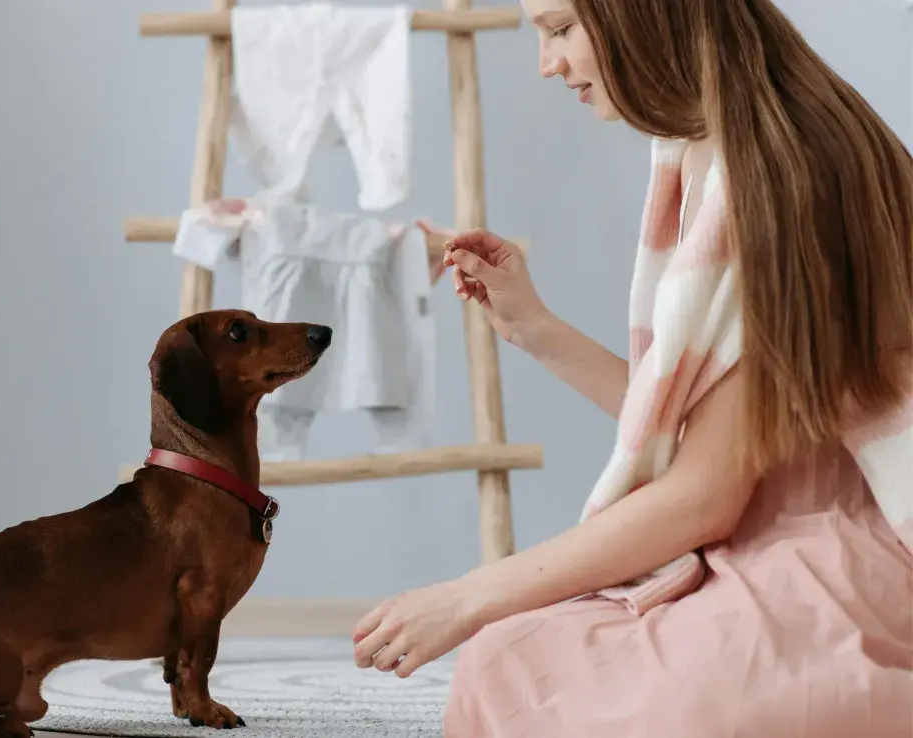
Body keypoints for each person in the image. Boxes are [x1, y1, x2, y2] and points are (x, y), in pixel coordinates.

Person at [350, 0, 913, 735]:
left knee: (542, 675)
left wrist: (469, 595)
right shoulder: (767, 134)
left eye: (560, 30)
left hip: (826, 565)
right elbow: (733, 435)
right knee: (510, 662)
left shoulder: (771, 176)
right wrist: (537, 330)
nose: (548, 64)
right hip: (796, 537)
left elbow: (704, 495)